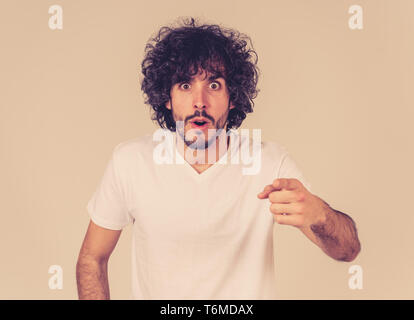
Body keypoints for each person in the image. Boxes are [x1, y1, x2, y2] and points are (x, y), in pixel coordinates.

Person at [76, 18, 361, 300]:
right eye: (185, 86)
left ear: (232, 96)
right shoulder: (131, 161)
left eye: (213, 85)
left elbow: (348, 250)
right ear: (167, 97)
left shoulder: (269, 163)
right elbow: (92, 259)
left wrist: (319, 215)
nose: (199, 101)